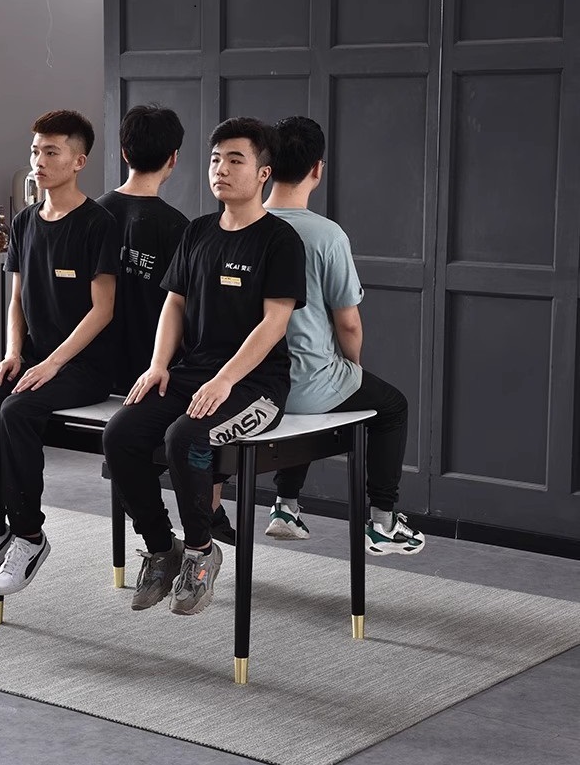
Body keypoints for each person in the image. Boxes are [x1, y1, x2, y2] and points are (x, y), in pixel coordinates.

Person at [103, 117, 306, 614]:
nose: (221, 169)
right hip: (192, 373)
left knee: (185, 438)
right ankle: (160, 547)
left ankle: (200, 552)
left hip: (255, 386)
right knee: (120, 434)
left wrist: (224, 380)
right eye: (216, 159)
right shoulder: (196, 232)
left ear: (263, 173)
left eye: (235, 160)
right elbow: (174, 303)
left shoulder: (279, 240)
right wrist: (158, 365)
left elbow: (274, 323)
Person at [0, 110, 120, 596]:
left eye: (51, 152)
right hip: (32, 360)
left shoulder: (99, 224)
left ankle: (29, 537)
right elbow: (17, 300)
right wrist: (13, 354)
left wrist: (52, 363)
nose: (38, 161)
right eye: (35, 151)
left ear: (78, 161)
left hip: (84, 366)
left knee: (17, 410)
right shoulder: (25, 222)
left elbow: (103, 310)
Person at [262, 115, 425, 555]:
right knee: (392, 406)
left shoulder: (245, 225)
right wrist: (351, 365)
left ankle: (285, 505)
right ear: (317, 168)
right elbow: (348, 323)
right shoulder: (326, 235)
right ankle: (383, 522)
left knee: (308, 381)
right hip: (308, 386)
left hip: (255, 387)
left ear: (267, 165)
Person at [97, 104, 235, 545]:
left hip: (100, 371)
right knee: (204, 407)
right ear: (174, 158)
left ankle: (172, 534)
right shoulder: (181, 228)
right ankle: (209, 510)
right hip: (157, 377)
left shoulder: (91, 216)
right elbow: (189, 314)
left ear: (124, 152)